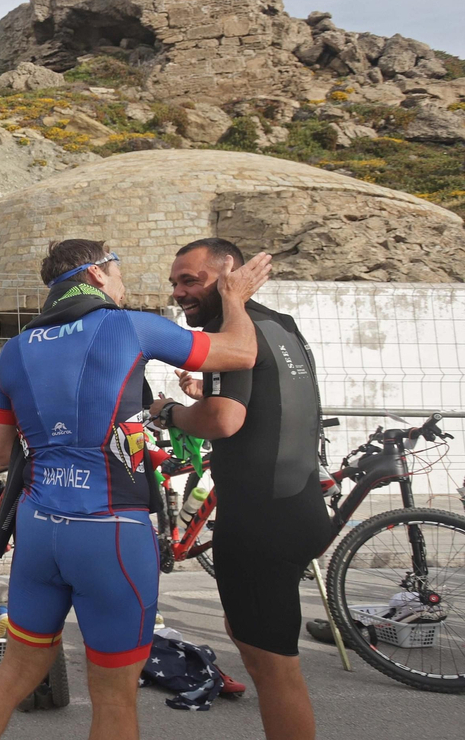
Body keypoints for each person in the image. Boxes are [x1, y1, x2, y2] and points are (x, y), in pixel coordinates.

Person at [0, 239, 270, 740]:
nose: (123, 284)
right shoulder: (127, 326)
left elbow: (2, 455)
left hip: (39, 528)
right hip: (111, 534)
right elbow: (242, 352)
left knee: (13, 676)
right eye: (118, 273)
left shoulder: (13, 351)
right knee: (113, 696)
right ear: (97, 275)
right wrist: (233, 297)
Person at [149, 238, 335, 740]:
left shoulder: (229, 331)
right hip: (300, 507)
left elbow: (224, 420)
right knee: (249, 636)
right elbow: (266, 395)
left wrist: (169, 411)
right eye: (174, 283)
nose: (179, 292)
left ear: (229, 275)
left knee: (275, 670)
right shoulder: (279, 324)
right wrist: (203, 389)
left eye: (190, 280)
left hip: (260, 522)